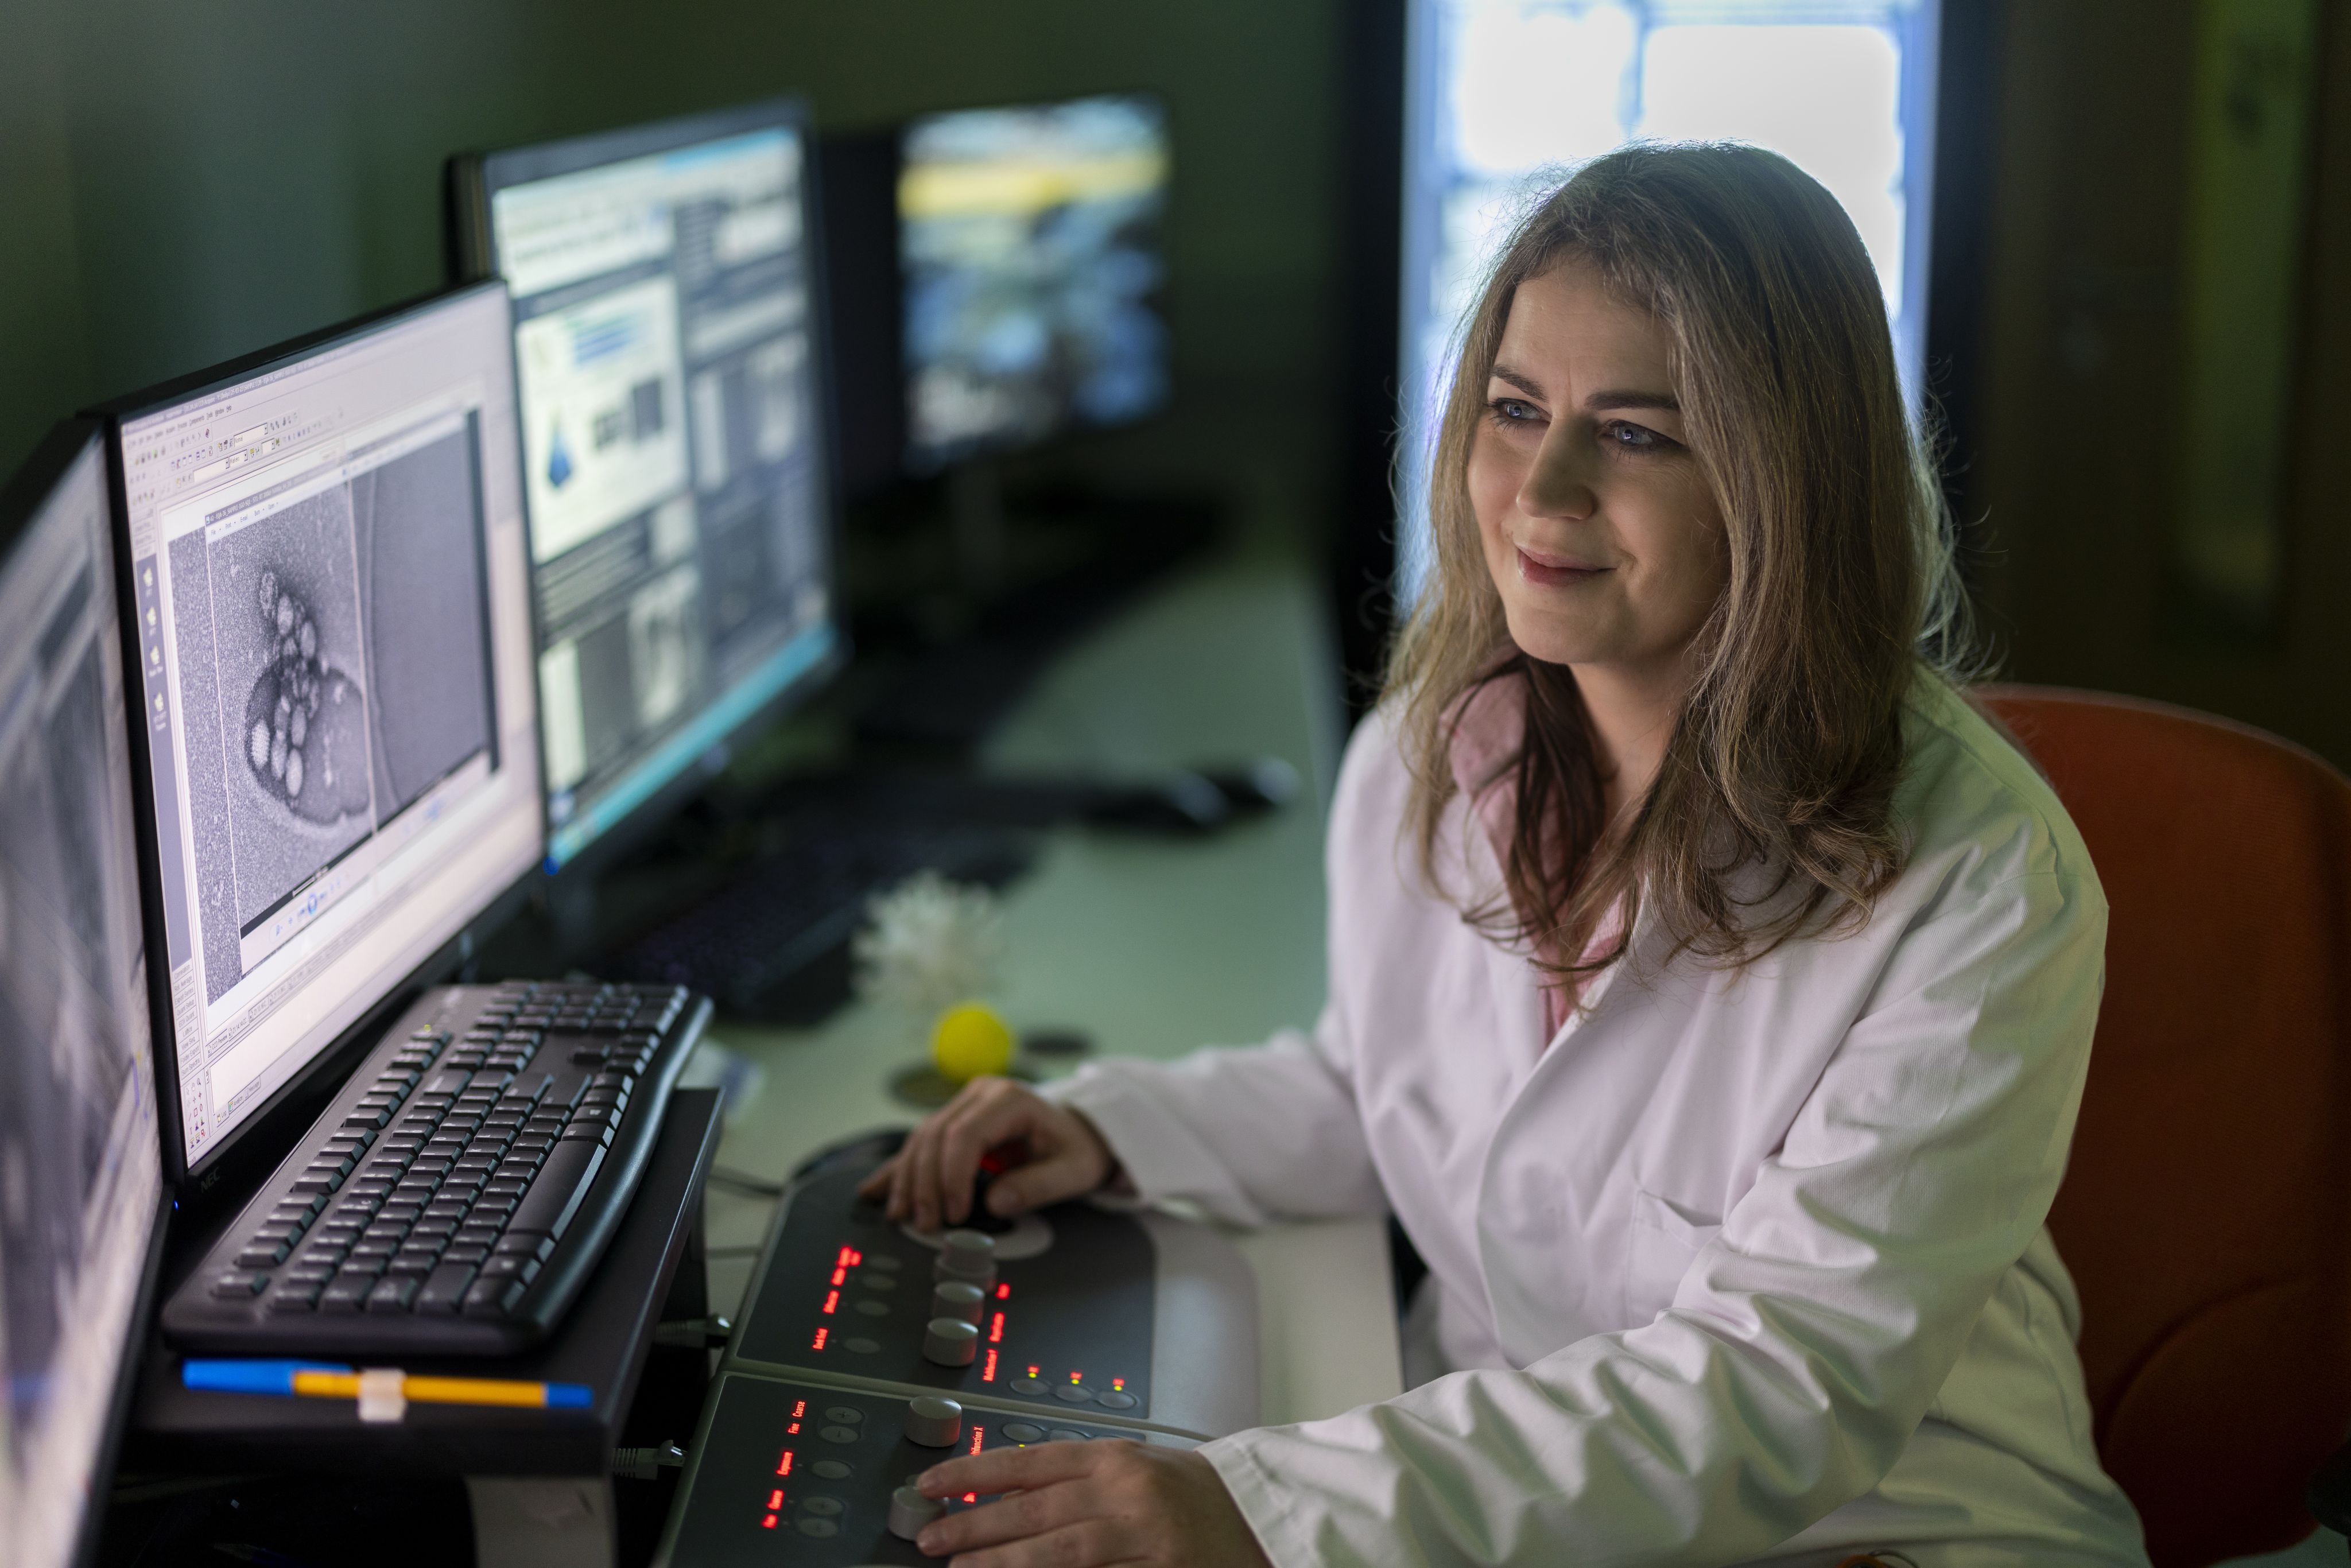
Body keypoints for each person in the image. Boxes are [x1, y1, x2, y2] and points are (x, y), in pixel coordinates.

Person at [862, 142, 2152, 1567]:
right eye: (1514, 409)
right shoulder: (1433, 753)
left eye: (1635, 433)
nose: (1541, 490)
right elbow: (1386, 1089)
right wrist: (1118, 1128)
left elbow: (1782, 1386)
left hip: (1880, 1526)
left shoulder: (1975, 884)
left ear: (1783, 482)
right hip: (1514, 1490)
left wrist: (1267, 1509)